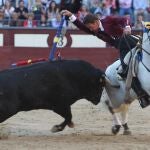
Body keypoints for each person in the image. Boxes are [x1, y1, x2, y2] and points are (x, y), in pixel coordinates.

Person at [61, 9, 150, 108]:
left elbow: (125, 18)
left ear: (95, 22)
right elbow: (82, 26)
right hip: (121, 47)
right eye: (89, 28)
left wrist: (127, 26)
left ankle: (142, 95)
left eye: (91, 27)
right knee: (124, 69)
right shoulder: (95, 31)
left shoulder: (107, 20)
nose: (90, 29)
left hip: (128, 41)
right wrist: (71, 16)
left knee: (125, 68)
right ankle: (142, 95)